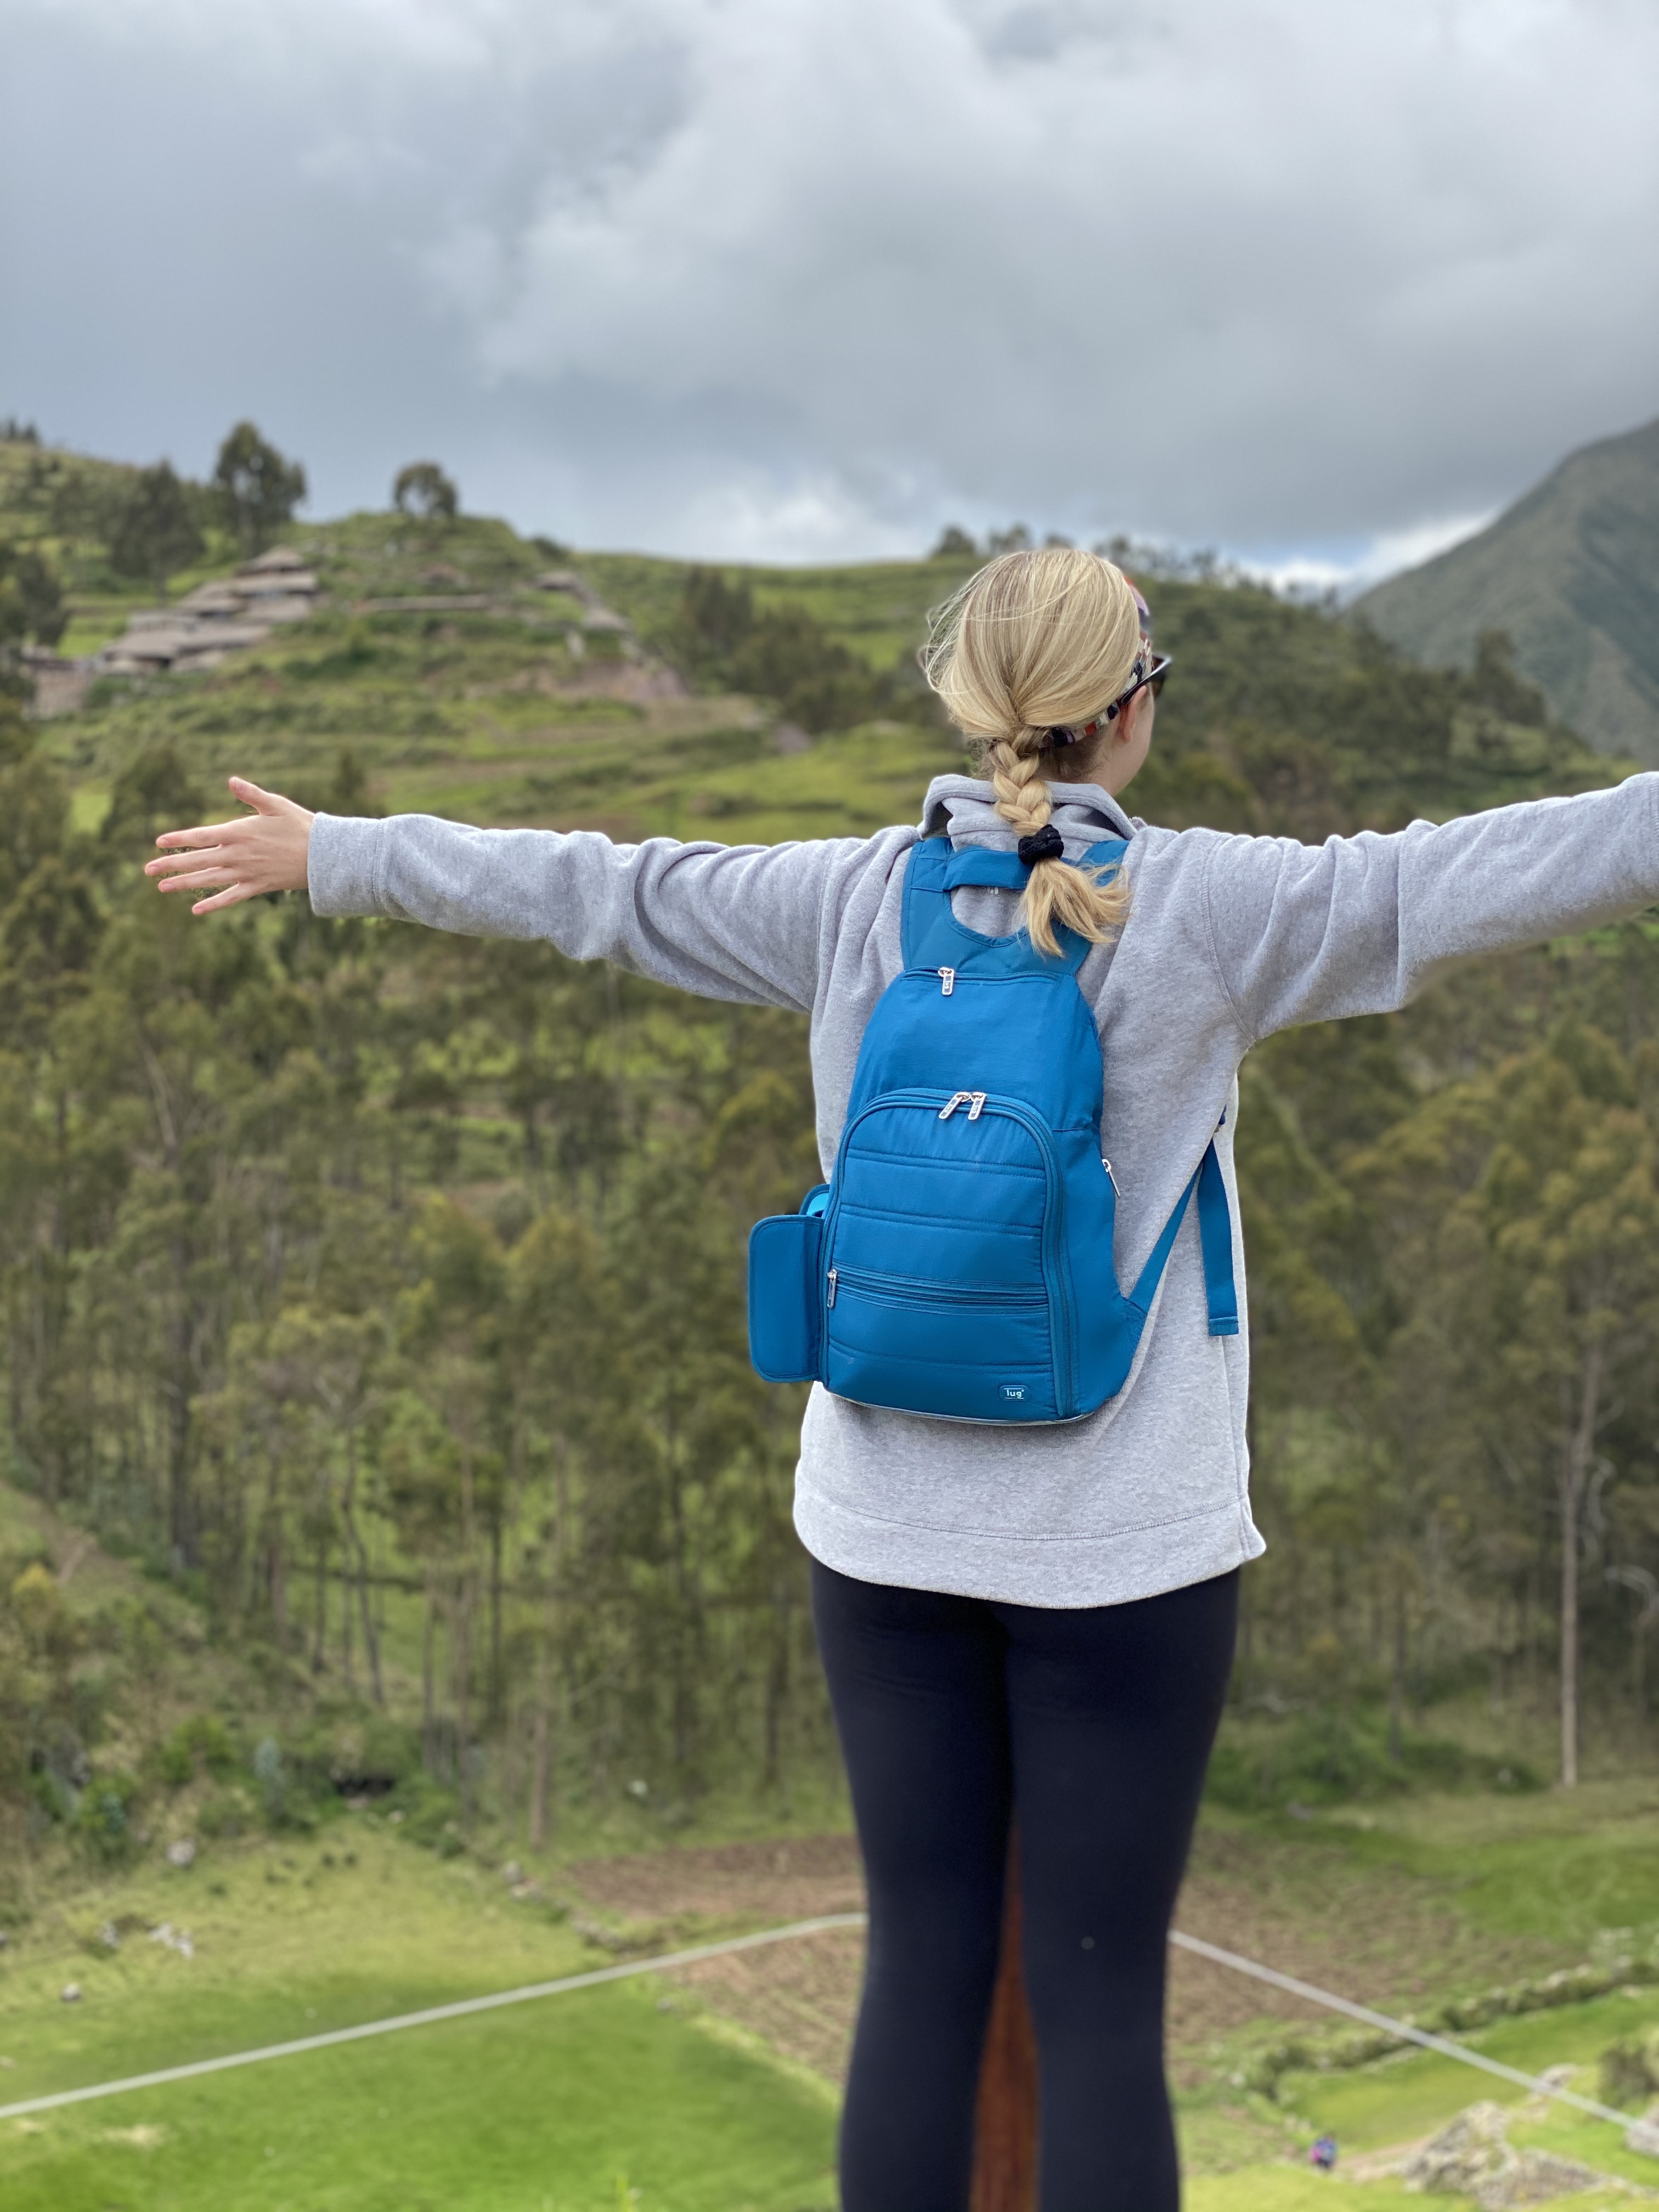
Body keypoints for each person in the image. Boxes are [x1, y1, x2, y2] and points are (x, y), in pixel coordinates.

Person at [145, 548, 1659, 2212]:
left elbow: (606, 888)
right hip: (1124, 1558)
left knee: (919, 1978)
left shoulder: (851, 900)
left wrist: (338, 854)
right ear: (1131, 712)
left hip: (881, 1543)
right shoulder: (1209, 910)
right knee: (1098, 2015)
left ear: (971, 708)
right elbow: (1466, 875)